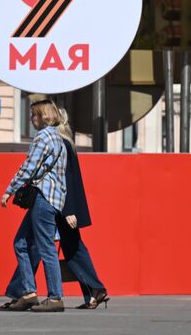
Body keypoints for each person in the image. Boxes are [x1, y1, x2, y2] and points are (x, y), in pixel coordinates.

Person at [0, 97, 69, 312]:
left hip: (43, 198)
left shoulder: (43, 138)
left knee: (46, 247)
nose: (31, 119)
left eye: (34, 115)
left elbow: (28, 168)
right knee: (21, 243)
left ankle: (55, 298)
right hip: (53, 199)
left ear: (43, 116)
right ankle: (29, 293)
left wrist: (9, 190)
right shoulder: (59, 139)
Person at [46, 108, 110, 308]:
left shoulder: (62, 145)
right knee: (73, 249)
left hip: (65, 207)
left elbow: (67, 181)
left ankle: (97, 289)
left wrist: (68, 211)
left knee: (74, 249)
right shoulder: (67, 143)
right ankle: (92, 294)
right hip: (66, 207)